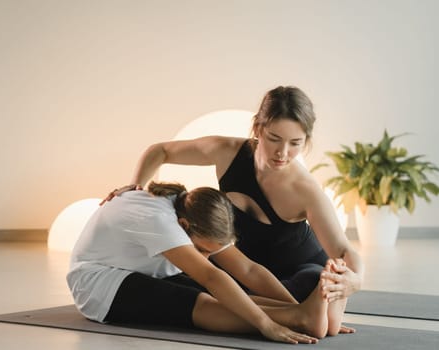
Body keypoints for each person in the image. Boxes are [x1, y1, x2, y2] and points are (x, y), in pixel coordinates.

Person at [104, 85, 364, 334]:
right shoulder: (227, 151)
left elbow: (343, 251)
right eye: (274, 138)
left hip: (295, 273)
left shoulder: (305, 189)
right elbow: (159, 151)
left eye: (295, 143)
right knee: (182, 281)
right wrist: (135, 186)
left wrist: (356, 280)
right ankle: (307, 314)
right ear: (258, 128)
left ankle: (310, 310)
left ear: (306, 140)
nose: (282, 153)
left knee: (310, 281)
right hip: (242, 269)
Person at [68, 181, 337, 344]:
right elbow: (210, 276)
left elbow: (248, 269)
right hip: (99, 283)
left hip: (144, 270)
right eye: (202, 250)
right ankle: (298, 318)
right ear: (184, 227)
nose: (207, 257)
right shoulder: (157, 219)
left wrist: (297, 304)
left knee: (228, 294)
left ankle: (299, 314)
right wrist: (267, 326)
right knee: (202, 300)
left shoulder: (197, 210)